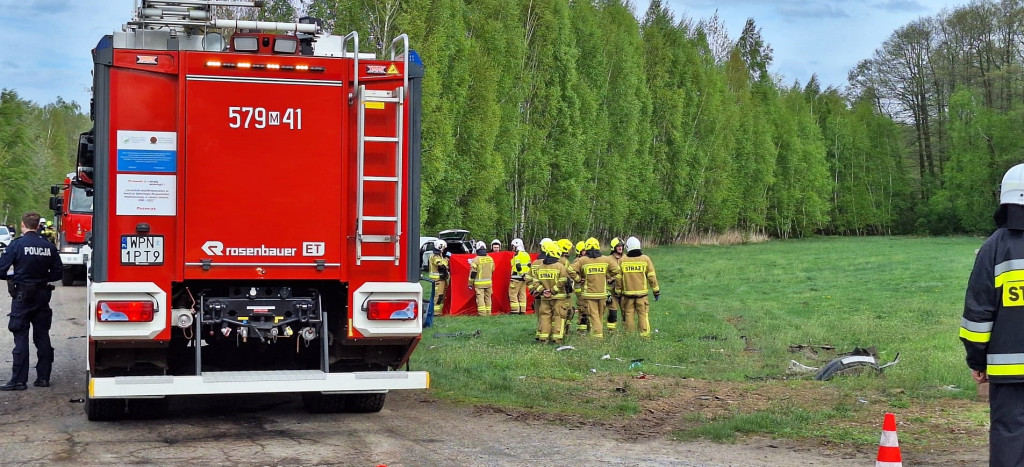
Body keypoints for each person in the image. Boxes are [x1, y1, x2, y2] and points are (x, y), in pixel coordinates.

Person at [961, 163, 1024, 466]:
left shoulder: (995, 247)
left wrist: (977, 360)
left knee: (1009, 434)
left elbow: (978, 314)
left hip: (1009, 373)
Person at [0, 212, 62, 390]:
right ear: (38, 226)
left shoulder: (17, 245)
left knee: (20, 334)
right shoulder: (48, 246)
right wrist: (42, 278)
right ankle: (43, 378)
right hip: (42, 294)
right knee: (42, 335)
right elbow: (58, 273)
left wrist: (15, 276)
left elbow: (1, 270)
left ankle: (19, 380)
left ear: (23, 225)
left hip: (22, 295)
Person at [528, 240, 578, 344]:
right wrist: (552, 291)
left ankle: (543, 338)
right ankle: (557, 338)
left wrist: (543, 291)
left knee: (545, 317)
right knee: (559, 316)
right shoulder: (559, 265)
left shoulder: (541, 266)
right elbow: (563, 280)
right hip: (559, 297)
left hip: (544, 298)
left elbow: (535, 281)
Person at [570, 237, 620, 339]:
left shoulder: (582, 260)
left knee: (594, 315)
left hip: (589, 294)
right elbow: (617, 269)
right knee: (600, 315)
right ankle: (598, 333)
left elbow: (570, 270)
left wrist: (579, 279)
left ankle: (597, 337)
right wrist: (607, 275)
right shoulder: (606, 259)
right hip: (602, 293)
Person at [618, 236, 659, 338]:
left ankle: (629, 336)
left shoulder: (623, 260)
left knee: (628, 315)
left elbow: (618, 279)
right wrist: (656, 291)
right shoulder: (645, 259)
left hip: (628, 295)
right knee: (643, 315)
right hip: (642, 295)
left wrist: (618, 292)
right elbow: (651, 277)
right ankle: (644, 336)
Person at [468, 241, 494, 316]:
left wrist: (470, 283)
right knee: (488, 298)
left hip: (479, 284)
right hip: (489, 283)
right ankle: (488, 313)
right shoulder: (490, 258)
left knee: (480, 298)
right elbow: (493, 270)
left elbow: (473, 273)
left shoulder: (476, 259)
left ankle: (482, 314)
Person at [604, 237, 625, 332]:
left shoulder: (626, 258)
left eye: (621, 246)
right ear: (614, 248)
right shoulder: (608, 259)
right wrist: (610, 279)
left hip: (624, 290)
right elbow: (604, 273)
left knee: (626, 311)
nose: (620, 248)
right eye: (618, 246)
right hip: (611, 291)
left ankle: (627, 330)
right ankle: (611, 330)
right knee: (613, 311)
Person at [428, 239, 450, 316]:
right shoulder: (434, 256)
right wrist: (447, 259)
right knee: (438, 296)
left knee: (443, 295)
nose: (444, 249)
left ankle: (440, 311)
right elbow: (441, 266)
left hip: (442, 279)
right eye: (444, 248)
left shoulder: (439, 255)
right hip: (438, 280)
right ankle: (435, 313)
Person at [508, 238, 530, 314]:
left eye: (513, 246)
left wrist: (522, 274)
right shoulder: (527, 254)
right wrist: (525, 275)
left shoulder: (517, 255)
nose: (513, 248)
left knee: (513, 293)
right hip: (524, 278)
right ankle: (522, 310)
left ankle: (515, 310)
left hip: (516, 277)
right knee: (522, 294)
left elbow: (518, 266)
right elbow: (529, 265)